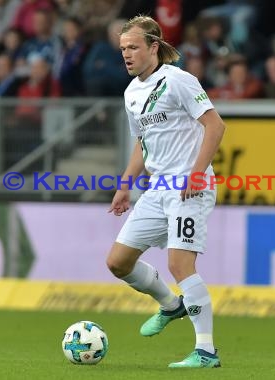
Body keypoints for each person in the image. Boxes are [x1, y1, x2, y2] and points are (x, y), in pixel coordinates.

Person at [106, 15, 225, 368]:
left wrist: (196, 173)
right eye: (123, 49)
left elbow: (215, 126)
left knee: (179, 263)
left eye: (133, 47)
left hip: (189, 187)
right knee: (117, 262)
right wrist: (125, 186)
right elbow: (142, 143)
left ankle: (206, 351)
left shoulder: (178, 81)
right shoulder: (131, 93)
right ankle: (171, 305)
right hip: (158, 189)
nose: (126, 54)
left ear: (153, 47)